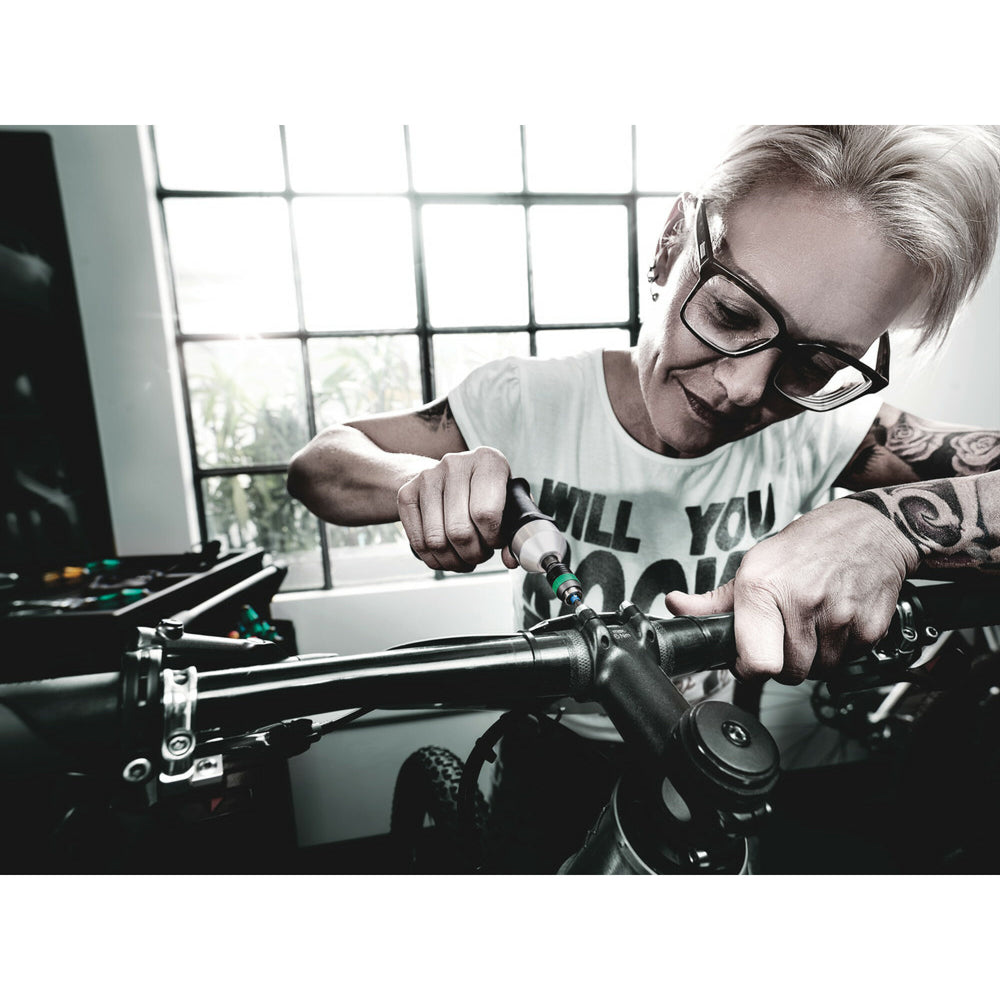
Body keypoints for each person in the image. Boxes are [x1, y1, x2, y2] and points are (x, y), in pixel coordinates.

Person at [287, 125, 1000, 871]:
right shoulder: (528, 400)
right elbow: (320, 465)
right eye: (730, 315)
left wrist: (889, 529)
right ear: (670, 245)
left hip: (716, 751)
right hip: (550, 754)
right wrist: (417, 481)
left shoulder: (827, 429)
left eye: (815, 366)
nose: (742, 387)